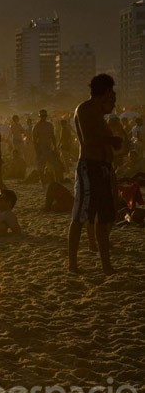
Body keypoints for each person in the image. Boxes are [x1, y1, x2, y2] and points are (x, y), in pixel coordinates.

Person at [68, 74, 122, 275]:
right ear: (106, 91)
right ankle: (73, 264)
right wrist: (111, 141)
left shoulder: (98, 113)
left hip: (102, 168)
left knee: (104, 218)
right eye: (112, 94)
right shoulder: (85, 109)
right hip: (89, 167)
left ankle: (106, 265)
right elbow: (90, 139)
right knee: (80, 217)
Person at [33, 110, 63, 181]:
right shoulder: (37, 126)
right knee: (41, 167)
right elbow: (34, 140)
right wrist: (37, 151)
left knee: (56, 165)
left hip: (49, 148)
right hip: (41, 148)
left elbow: (53, 136)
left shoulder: (49, 125)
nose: (43, 117)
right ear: (39, 116)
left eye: (44, 116)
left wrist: (55, 147)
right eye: (42, 116)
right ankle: (43, 182)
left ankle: (57, 180)